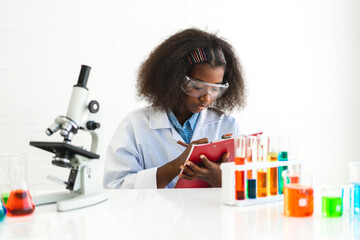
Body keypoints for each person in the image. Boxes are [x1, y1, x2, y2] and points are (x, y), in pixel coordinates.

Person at [103, 28, 246, 189]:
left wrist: (218, 178)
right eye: (197, 86)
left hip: (208, 214)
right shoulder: (135, 125)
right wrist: (177, 164)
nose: (206, 98)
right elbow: (115, 188)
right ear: (173, 78)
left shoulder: (226, 125)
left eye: (215, 89)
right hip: (154, 214)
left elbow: (242, 189)